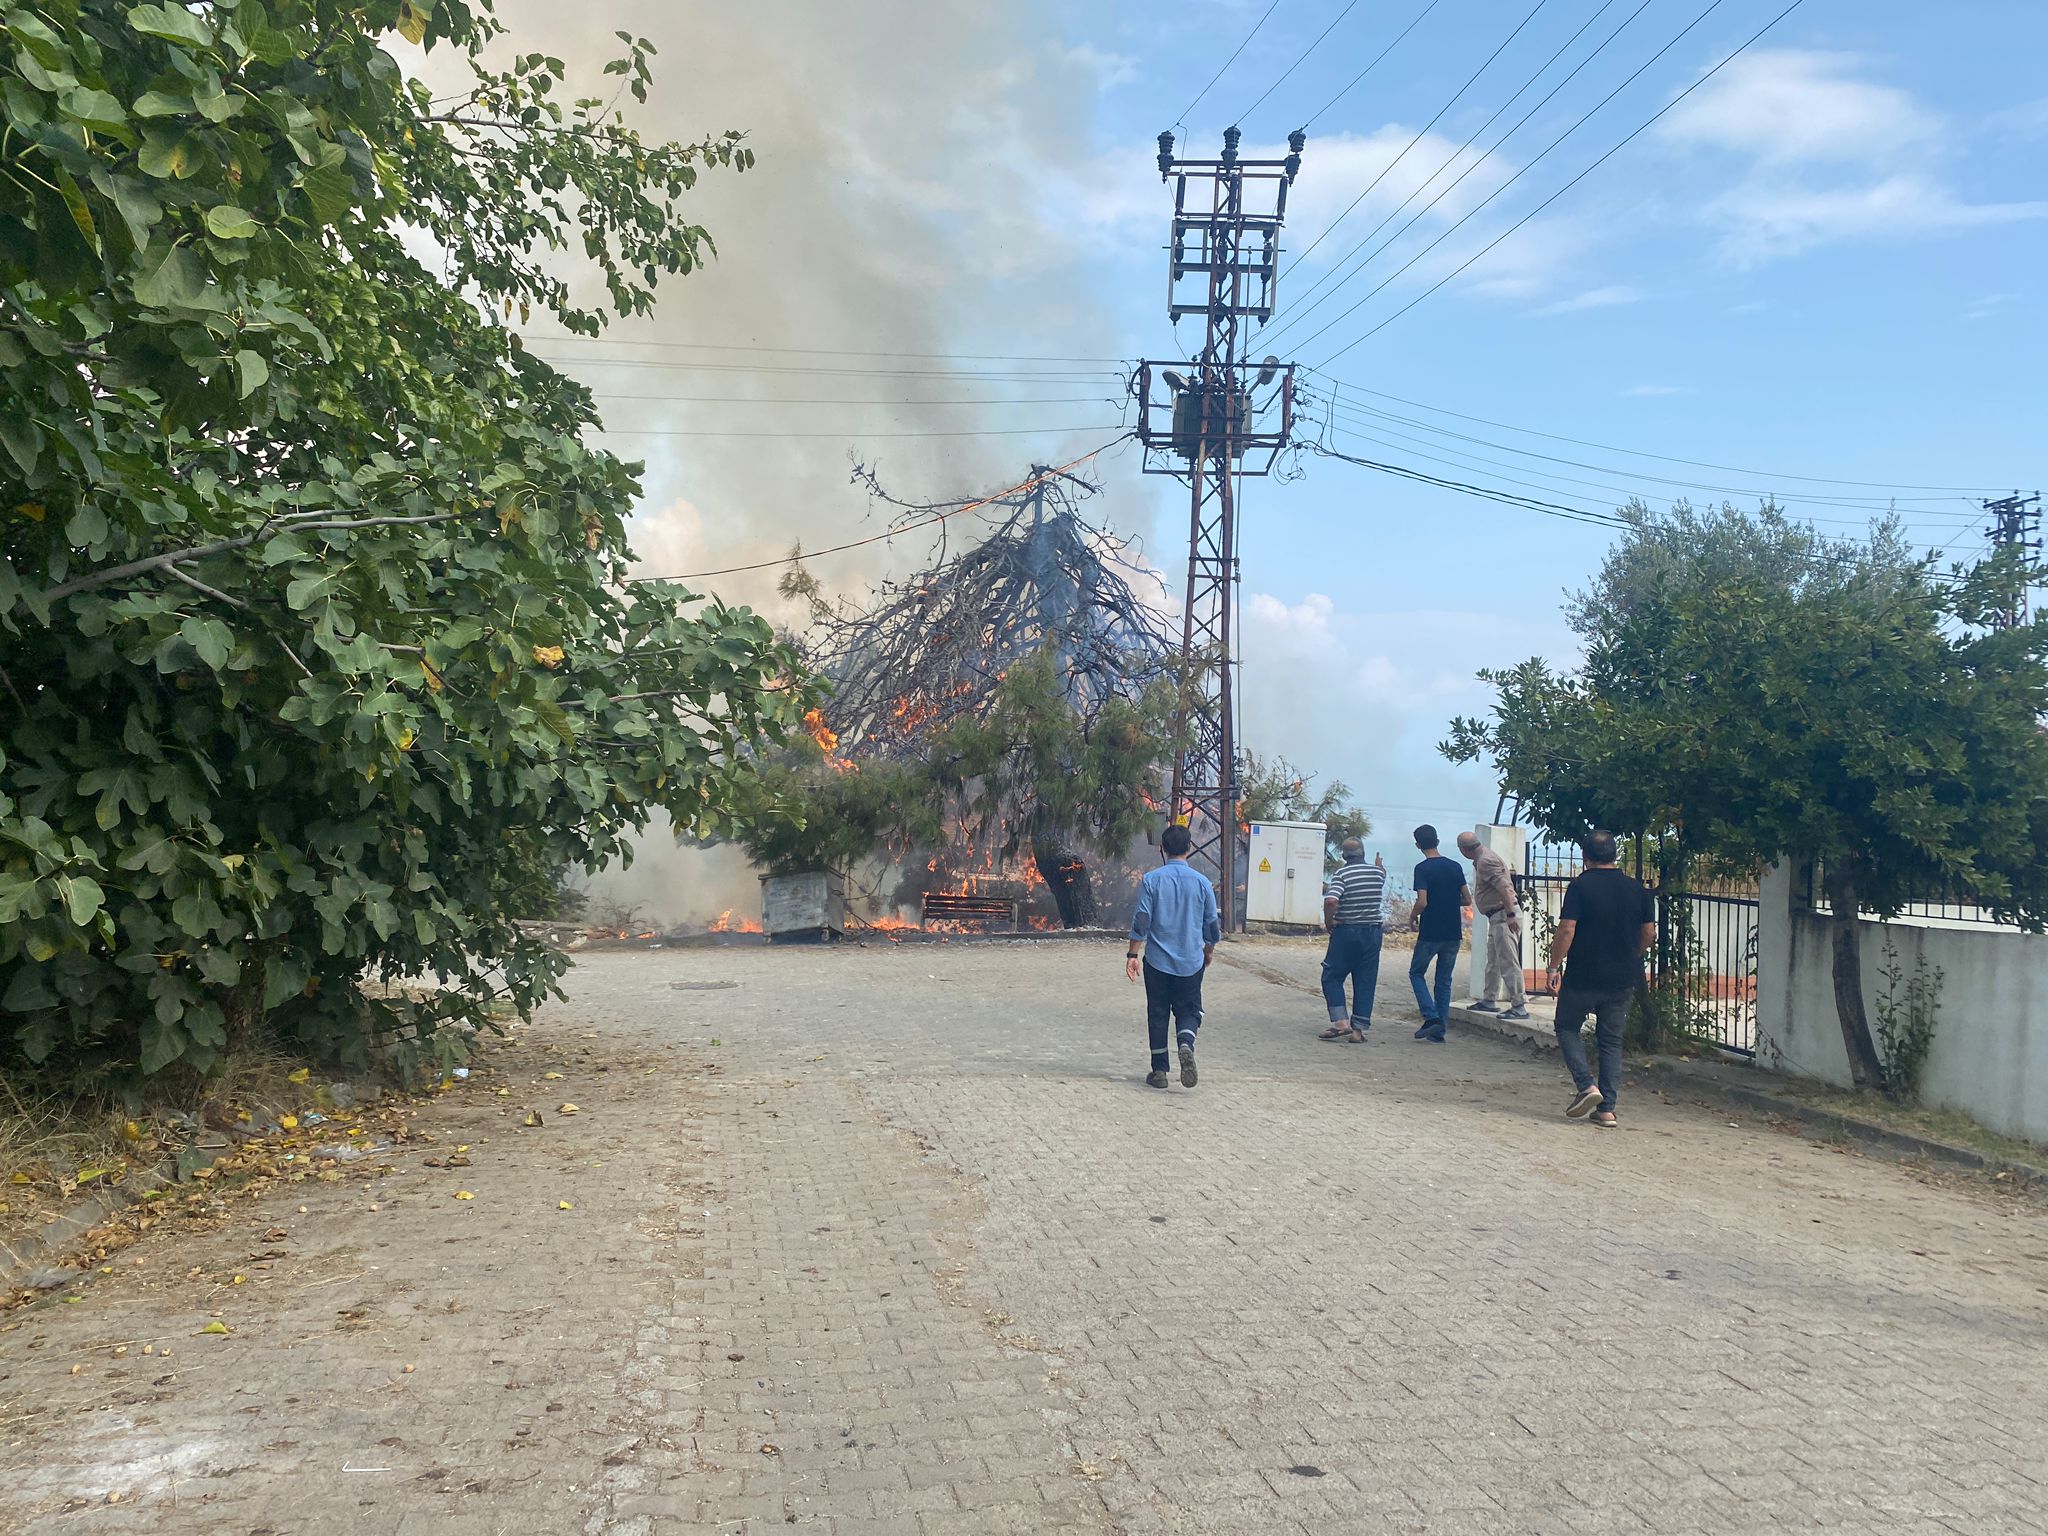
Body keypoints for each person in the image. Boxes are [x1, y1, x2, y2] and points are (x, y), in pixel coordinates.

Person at [1546, 829, 1656, 1129]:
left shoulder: (1581, 887)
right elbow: (1649, 933)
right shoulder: (1638, 890)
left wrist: (1554, 967)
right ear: (1615, 854)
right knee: (1610, 1040)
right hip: (1622, 976)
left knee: (1566, 1026)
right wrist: (1632, 953)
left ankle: (1586, 1085)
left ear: (1585, 856)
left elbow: (1567, 928)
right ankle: (1607, 1109)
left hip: (1583, 973)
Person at [1126, 823, 1220, 1089]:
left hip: (1157, 961)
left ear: (1162, 849)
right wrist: (1208, 951)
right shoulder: (1203, 883)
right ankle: (1186, 1043)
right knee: (1189, 1009)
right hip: (1191, 961)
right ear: (1189, 848)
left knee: (1157, 1012)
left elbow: (1142, 920)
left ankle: (1159, 1072)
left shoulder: (1152, 880)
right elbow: (1211, 923)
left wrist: (1132, 954)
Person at [1318, 839, 1388, 1042]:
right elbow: (1382, 874)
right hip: (1373, 933)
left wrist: (1329, 920)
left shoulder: (1342, 874)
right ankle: (1358, 1031)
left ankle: (1341, 1022)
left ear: (1343, 856)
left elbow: (1331, 900)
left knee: (1331, 976)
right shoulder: (1377, 874)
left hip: (1347, 932)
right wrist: (1379, 865)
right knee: (1365, 980)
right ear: (1362, 853)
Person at [1457, 831, 1530, 1021]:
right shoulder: (1484, 858)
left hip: (1504, 915)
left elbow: (1505, 887)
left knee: (1508, 961)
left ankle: (1519, 1005)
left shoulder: (1486, 861)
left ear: (1464, 850)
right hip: (1496, 916)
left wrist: (1511, 914)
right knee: (1494, 961)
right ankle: (1489, 999)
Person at [1408, 824, 1467, 1042]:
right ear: (1438, 841)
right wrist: (1449, 902)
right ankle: (1439, 1031)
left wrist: (1413, 916)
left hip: (1431, 931)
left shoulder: (1422, 869)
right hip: (1453, 931)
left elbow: (1422, 901)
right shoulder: (1455, 866)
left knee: (1416, 973)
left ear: (1418, 845)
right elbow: (1468, 899)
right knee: (1444, 980)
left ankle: (1431, 1016)